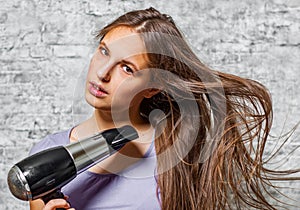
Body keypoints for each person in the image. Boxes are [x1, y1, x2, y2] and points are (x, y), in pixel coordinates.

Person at [28, 7, 299, 210]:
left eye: (127, 68)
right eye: (104, 51)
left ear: (153, 87)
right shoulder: (44, 156)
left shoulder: (176, 156)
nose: (103, 72)